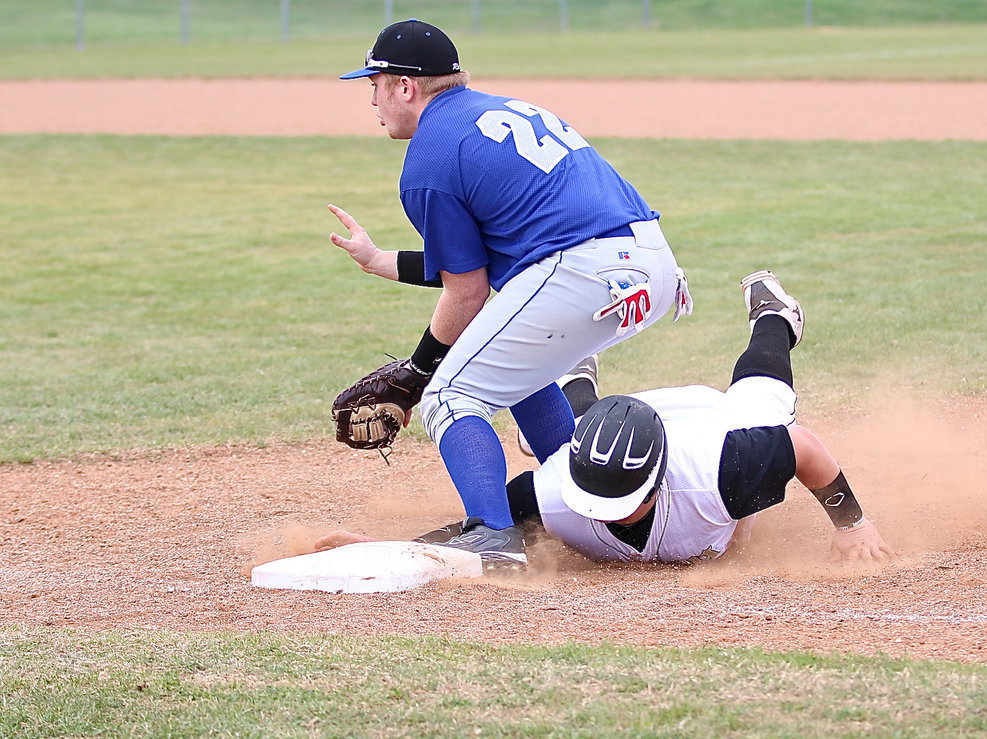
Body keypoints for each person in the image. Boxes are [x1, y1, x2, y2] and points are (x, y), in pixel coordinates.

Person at [326, 19, 688, 571]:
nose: (371, 97)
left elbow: (467, 295)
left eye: (375, 82)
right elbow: (488, 262)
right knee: (512, 366)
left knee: (452, 396)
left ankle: (492, 536)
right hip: (649, 263)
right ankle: (596, 505)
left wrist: (418, 377)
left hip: (583, 269)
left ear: (406, 87)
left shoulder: (429, 157)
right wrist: (383, 261)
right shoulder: (493, 112)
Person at [316, 271, 894, 565]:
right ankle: (578, 376)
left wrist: (853, 524)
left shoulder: (724, 466)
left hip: (706, 425)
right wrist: (390, 550)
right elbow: (478, 535)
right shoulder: (561, 489)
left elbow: (807, 450)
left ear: (657, 483)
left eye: (621, 500)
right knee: (583, 426)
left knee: (765, 391)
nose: (605, 515)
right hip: (627, 425)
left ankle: (773, 315)